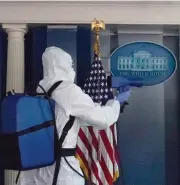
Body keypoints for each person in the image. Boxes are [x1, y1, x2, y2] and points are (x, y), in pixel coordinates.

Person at [18, 46, 131, 185]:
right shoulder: (67, 90)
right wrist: (117, 103)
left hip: (35, 168)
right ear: (64, 65)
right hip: (62, 170)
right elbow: (102, 119)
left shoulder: (38, 92)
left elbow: (70, 120)